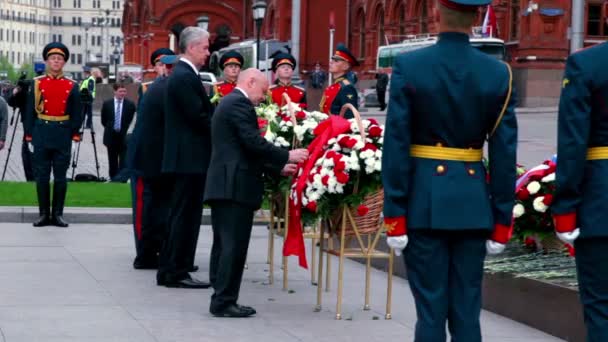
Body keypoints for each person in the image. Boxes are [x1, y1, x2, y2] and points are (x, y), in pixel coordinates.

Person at [381, 0, 517, 339]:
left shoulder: (410, 66)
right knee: (467, 311)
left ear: (437, 15)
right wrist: (502, 219)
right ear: (475, 18)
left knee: (430, 312)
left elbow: (396, 145)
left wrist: (394, 211)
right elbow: (503, 153)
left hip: (424, 204)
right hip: (473, 205)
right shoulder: (499, 73)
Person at [204, 68, 308, 317]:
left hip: (227, 185)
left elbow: (244, 150)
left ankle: (222, 296)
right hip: (234, 187)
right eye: (262, 91)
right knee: (233, 246)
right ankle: (224, 301)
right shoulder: (239, 104)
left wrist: (278, 167)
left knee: (224, 243)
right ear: (250, 82)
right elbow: (252, 142)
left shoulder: (230, 102)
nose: (264, 97)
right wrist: (287, 155)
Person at [552, 42, 608, 341]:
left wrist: (565, 208)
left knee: (601, 306)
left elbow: (573, 143)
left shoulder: (587, 64)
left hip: (602, 202)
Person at [156, 27, 213, 289]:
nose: (208, 52)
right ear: (191, 48)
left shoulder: (184, 74)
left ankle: (173, 269)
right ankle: (176, 271)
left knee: (182, 215)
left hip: (186, 158)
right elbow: (198, 118)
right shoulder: (183, 76)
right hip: (188, 160)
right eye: (205, 47)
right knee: (184, 217)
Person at [24, 42, 83, 228]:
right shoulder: (36, 83)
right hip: (42, 132)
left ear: (63, 63)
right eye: (53, 58)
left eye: (59, 59)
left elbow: (77, 113)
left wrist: (73, 134)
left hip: (63, 134)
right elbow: (29, 113)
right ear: (46, 61)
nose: (56, 61)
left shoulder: (72, 85)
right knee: (41, 176)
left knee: (60, 177)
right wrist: (29, 135)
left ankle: (57, 214)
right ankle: (43, 214)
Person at [129, 49, 177, 270]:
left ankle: (161, 251)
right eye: (159, 64)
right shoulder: (148, 88)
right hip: (151, 157)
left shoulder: (169, 87)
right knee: (148, 207)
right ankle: (146, 252)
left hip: (162, 157)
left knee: (163, 208)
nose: (163, 68)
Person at [101, 83, 136, 180]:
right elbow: (104, 120)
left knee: (123, 160)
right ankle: (113, 178)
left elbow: (129, 119)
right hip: (110, 136)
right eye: (120, 91)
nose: (122, 93)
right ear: (115, 91)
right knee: (112, 160)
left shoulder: (130, 105)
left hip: (123, 136)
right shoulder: (107, 104)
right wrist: (112, 128)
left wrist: (122, 128)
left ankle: (122, 178)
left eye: (124, 91)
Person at [320, 43, 359, 118]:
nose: (331, 62)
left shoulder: (347, 88)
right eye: (332, 60)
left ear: (345, 66)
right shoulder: (334, 86)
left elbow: (349, 116)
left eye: (336, 61)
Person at [8, 73, 35, 181]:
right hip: (27, 129)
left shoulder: (33, 95)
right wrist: (16, 92)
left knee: (31, 155)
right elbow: (11, 102)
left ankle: (34, 179)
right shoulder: (23, 94)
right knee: (26, 155)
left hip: (36, 129)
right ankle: (30, 179)